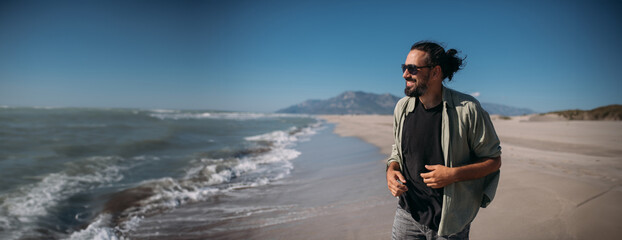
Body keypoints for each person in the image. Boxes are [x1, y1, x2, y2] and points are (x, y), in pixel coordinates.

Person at [386, 41, 502, 240]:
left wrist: (453, 174)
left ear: (435, 72)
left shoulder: (467, 109)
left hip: (450, 221)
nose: (405, 74)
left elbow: (493, 161)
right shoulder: (402, 108)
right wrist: (391, 169)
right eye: (404, 68)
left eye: (412, 68)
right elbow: (397, 150)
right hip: (407, 214)